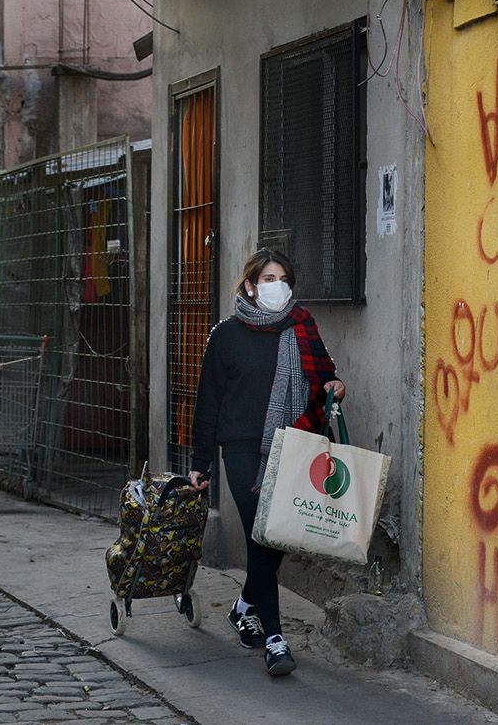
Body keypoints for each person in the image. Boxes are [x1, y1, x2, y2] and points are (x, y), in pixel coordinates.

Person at [188, 249, 345, 676]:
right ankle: (275, 639)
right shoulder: (225, 336)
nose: (277, 285)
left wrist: (334, 384)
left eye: (282, 278)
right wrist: (199, 460)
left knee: (278, 537)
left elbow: (325, 373)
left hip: (292, 443)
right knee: (262, 532)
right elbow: (208, 402)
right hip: (242, 448)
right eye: (268, 278)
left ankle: (243, 606)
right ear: (250, 286)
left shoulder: (302, 328)